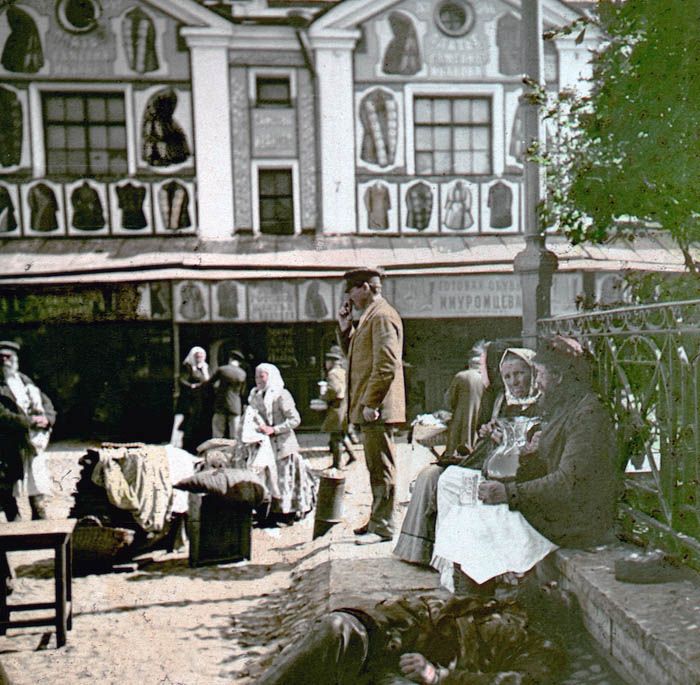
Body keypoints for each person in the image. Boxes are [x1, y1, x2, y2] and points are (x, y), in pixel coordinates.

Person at [478, 335, 619, 549]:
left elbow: (567, 482)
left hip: (579, 522)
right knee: (477, 510)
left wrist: (509, 493)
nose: (536, 384)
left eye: (539, 375)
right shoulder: (566, 407)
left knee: (485, 521)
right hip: (563, 510)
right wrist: (523, 456)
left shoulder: (587, 414)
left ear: (558, 377)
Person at [255, 589, 566, 685]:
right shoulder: (489, 607)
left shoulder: (541, 649)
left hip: (407, 679)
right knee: (336, 627)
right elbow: (423, 609)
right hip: (387, 643)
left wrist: (439, 677)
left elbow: (521, 683)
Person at [431, 348, 547, 591]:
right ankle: (452, 561)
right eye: (508, 377)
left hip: (524, 472)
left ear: (533, 373)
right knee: (450, 480)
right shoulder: (504, 401)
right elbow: (496, 433)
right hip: (501, 464)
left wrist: (522, 443)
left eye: (520, 374)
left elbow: (542, 445)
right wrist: (490, 433)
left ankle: (478, 568)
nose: (514, 381)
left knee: (472, 498)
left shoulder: (544, 402)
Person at [393, 341, 508, 566]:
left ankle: (432, 554)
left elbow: (449, 405)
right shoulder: (493, 394)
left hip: (478, 454)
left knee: (433, 477)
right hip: (477, 451)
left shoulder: (470, 381)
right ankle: (425, 552)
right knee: (429, 476)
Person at [337, 267, 405, 545]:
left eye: (351, 291)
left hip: (376, 409)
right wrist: (346, 327)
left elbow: (386, 364)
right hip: (371, 408)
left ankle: (383, 526)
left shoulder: (382, 316)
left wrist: (371, 402)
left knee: (381, 467)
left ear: (365, 287)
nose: (349, 298)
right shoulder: (370, 316)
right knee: (375, 466)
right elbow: (357, 357)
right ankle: (378, 519)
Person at [246, 363, 316, 520]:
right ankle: (269, 511)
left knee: (283, 480)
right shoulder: (255, 395)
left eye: (262, 376)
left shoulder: (281, 394)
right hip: (264, 446)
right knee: (267, 479)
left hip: (283, 445)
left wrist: (275, 429)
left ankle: (286, 512)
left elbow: (295, 419)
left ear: (270, 377)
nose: (258, 380)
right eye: (256, 377)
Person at [0, 340, 56, 520]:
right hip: (7, 444)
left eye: (8, 357)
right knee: (7, 487)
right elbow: (3, 415)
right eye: (0, 358)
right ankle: (14, 526)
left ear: (15, 359)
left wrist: (47, 419)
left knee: (36, 484)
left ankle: (40, 522)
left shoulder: (25, 382)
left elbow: (46, 403)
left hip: (31, 443)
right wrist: (30, 421)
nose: (4, 361)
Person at [444, 341, 487, 458]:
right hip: (482, 425)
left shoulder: (461, 376)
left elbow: (449, 401)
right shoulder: (488, 380)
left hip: (461, 424)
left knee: (455, 458)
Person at [320, 346, 353, 470]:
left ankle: (337, 463)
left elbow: (334, 390)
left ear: (331, 362)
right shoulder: (343, 372)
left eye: (327, 361)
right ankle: (352, 455)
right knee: (341, 434)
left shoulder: (332, 374)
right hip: (344, 405)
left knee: (336, 436)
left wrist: (324, 395)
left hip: (336, 406)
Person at [178, 346, 211, 454]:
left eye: (201, 356)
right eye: (197, 357)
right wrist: (192, 386)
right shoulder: (188, 366)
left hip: (203, 400)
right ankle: (188, 448)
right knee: (191, 424)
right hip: (192, 401)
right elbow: (182, 380)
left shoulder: (206, 367)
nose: (199, 358)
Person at [208, 349, 247, 440]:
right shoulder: (243, 373)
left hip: (221, 403)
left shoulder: (222, 369)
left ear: (230, 359)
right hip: (235, 405)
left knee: (218, 432)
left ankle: (217, 448)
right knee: (235, 433)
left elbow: (210, 383)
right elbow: (242, 391)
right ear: (239, 362)